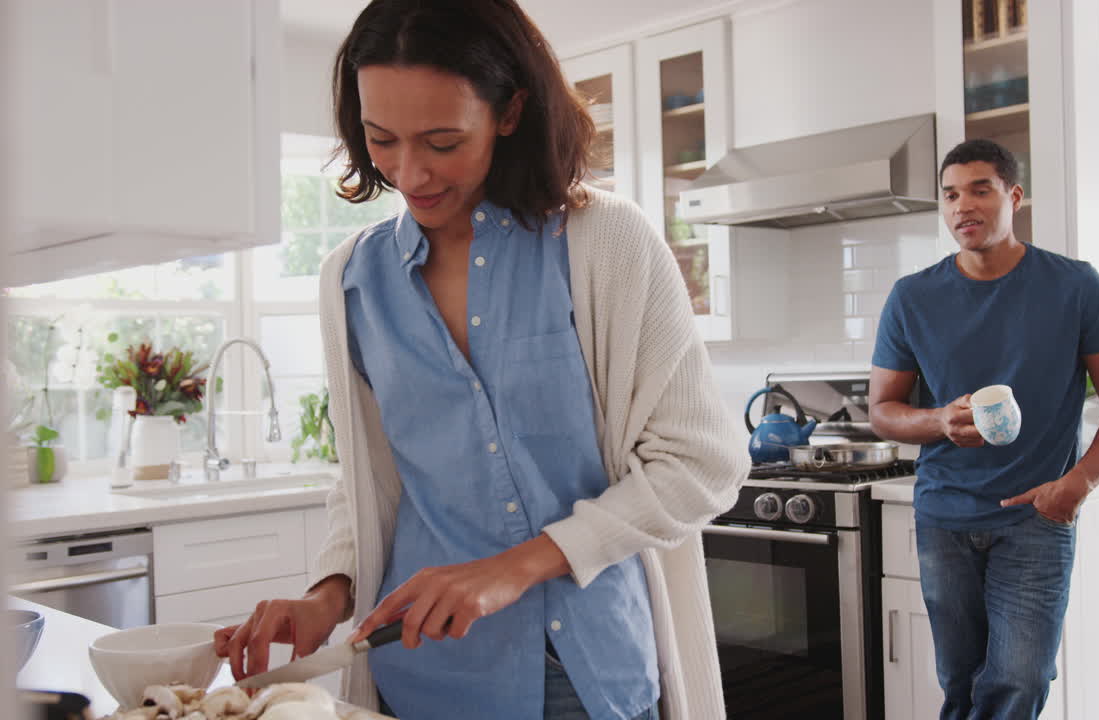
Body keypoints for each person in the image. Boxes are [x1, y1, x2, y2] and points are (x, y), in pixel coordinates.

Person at [212, 1, 748, 718]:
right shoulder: (353, 280)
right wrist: (327, 594)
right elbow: (372, 479)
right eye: (382, 140)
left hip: (585, 676)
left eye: (441, 140)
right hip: (422, 674)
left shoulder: (605, 242)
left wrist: (515, 569)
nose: (410, 174)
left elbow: (701, 466)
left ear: (510, 110)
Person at [867, 139, 1099, 719]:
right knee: (961, 683)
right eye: (949, 195)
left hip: (1035, 516)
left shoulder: (1075, 287)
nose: (961, 206)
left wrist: (1078, 484)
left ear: (1013, 196)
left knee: (1021, 678)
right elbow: (882, 409)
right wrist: (939, 420)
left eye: (979, 189)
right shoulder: (912, 298)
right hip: (944, 516)